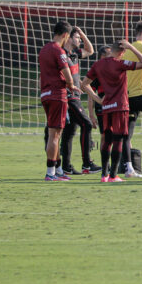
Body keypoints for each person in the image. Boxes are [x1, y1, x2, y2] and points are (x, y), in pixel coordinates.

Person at [81, 40, 142, 182]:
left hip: (106, 107)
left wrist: (98, 99)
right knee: (118, 139)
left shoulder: (98, 65)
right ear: (122, 52)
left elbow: (84, 84)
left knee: (107, 139)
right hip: (121, 106)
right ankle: (113, 175)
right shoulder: (120, 63)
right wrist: (132, 48)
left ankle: (104, 175)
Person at [38, 20, 81, 180]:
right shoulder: (59, 51)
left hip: (46, 94)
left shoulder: (44, 50)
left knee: (54, 133)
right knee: (54, 135)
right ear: (65, 35)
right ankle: (51, 172)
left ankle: (58, 170)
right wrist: (72, 86)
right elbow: (67, 72)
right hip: (58, 95)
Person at [57, 27, 98, 175]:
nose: (79, 40)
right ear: (68, 38)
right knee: (86, 124)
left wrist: (82, 34)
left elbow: (90, 50)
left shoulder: (75, 54)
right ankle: (87, 164)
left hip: (75, 96)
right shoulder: (62, 55)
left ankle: (66, 166)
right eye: (76, 38)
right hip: (69, 96)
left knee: (69, 132)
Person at [120, 21, 142, 178]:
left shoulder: (126, 50)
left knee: (127, 135)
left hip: (126, 97)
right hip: (138, 94)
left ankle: (129, 169)